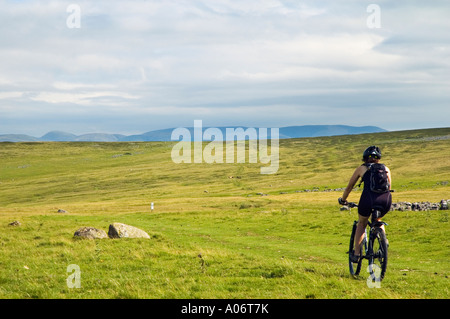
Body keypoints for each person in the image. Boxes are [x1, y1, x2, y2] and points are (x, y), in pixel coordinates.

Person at [338, 146, 392, 263]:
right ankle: (383, 239)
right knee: (378, 219)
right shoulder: (386, 168)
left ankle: (356, 254)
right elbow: (388, 188)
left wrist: (343, 200)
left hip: (368, 199)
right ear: (378, 158)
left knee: (361, 224)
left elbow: (349, 187)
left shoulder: (361, 168)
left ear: (365, 158)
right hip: (385, 199)